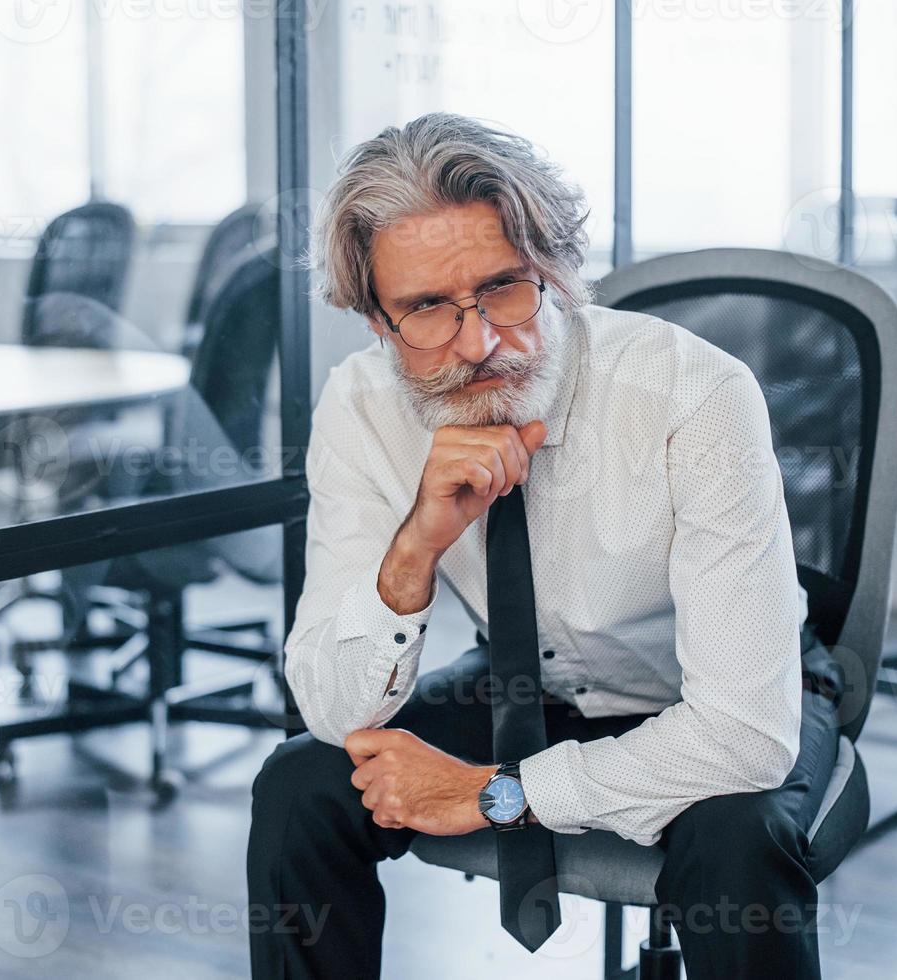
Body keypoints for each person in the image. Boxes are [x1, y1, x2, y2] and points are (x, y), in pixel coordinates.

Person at [247, 112, 844, 979]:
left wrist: (494, 794)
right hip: (529, 682)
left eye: (503, 288)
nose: (479, 342)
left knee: (739, 834)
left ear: (558, 273)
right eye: (426, 310)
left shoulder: (695, 394)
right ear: (377, 322)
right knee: (304, 783)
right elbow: (337, 713)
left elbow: (745, 736)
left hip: (721, 695)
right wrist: (415, 548)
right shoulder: (359, 406)